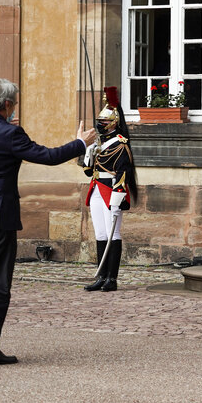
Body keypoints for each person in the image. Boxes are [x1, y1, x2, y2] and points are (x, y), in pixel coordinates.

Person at [0, 78, 96, 366]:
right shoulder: (11, 134)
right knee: (0, 282)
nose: (15, 107)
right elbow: (48, 156)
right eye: (14, 103)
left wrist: (3, 126)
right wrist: (81, 142)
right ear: (7, 105)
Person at [82, 86, 138, 292]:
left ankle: (112, 278)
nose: (101, 124)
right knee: (100, 234)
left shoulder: (120, 144)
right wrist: (88, 154)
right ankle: (101, 275)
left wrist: (117, 199)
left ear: (113, 123)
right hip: (96, 188)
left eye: (104, 122)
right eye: (100, 121)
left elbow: (123, 174)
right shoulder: (98, 143)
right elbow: (89, 172)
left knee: (113, 234)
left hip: (112, 192)